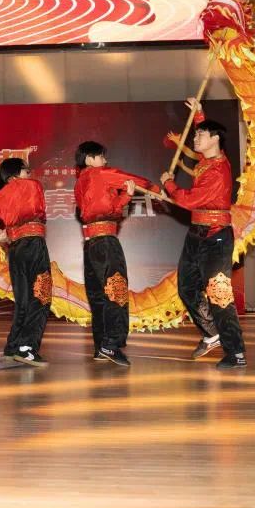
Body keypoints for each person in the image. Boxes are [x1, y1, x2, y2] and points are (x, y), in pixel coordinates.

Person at [161, 102, 246, 370]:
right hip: (196, 235)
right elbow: (203, 134)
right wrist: (198, 114)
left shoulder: (219, 171)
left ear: (215, 139)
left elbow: (190, 200)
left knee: (219, 295)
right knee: (187, 288)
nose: (195, 137)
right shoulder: (206, 160)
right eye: (196, 133)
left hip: (216, 238)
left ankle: (236, 353)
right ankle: (212, 333)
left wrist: (169, 184)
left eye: (200, 135)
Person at [74, 141, 153, 367]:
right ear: (90, 159)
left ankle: (102, 346)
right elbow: (132, 181)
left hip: (91, 245)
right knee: (116, 291)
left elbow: (101, 209)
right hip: (106, 242)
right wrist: (154, 189)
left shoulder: (80, 182)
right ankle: (111, 344)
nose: (105, 161)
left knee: (98, 296)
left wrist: (125, 196)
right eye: (101, 157)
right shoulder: (100, 174)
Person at [0, 157, 52, 367]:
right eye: (26, 171)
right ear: (16, 173)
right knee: (40, 296)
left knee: (23, 299)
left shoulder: (1, 194)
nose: (29, 174)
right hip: (34, 244)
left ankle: (13, 346)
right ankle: (26, 347)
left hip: (16, 248)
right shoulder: (32, 185)